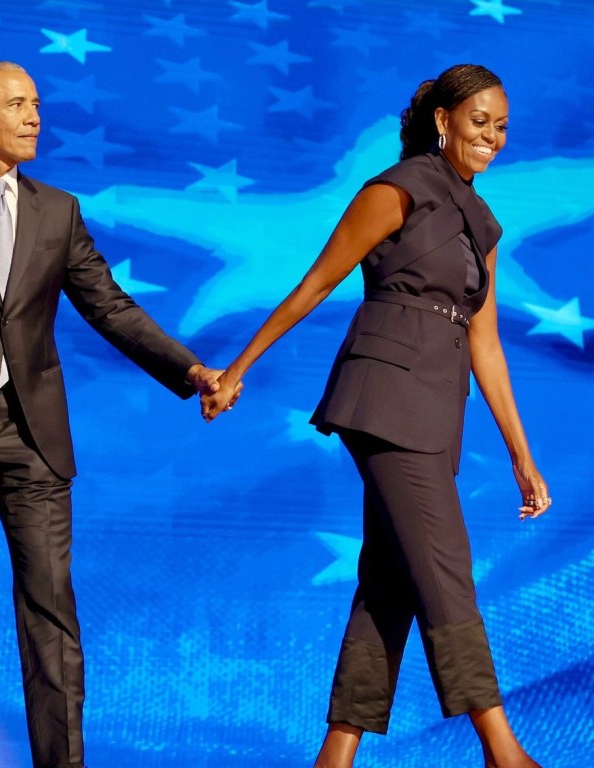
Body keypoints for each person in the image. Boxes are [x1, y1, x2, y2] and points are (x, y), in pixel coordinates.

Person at [0, 60, 239, 768]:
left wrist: (189, 369)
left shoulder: (57, 210)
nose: (35, 116)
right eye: (16, 104)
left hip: (34, 438)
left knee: (51, 613)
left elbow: (109, 305)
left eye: (37, 103)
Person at [201, 64, 550, 767]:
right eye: (480, 120)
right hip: (385, 397)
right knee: (446, 568)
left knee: (390, 581)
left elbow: (485, 346)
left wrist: (521, 456)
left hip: (437, 407)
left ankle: (336, 755)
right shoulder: (397, 190)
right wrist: (238, 367)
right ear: (443, 122)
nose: (493, 135)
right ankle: (503, 751)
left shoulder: (482, 224)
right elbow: (318, 281)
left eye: (502, 125)